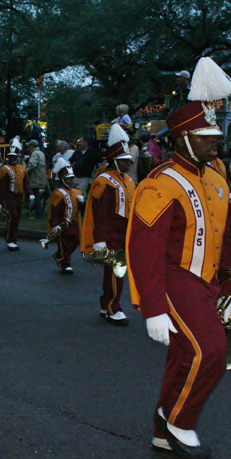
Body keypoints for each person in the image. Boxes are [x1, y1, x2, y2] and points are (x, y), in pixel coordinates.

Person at [127, 57, 231, 459]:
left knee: (183, 357)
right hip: (174, 279)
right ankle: (178, 421)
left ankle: (162, 429)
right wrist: (153, 306)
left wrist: (226, 282)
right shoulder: (160, 183)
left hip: (204, 282)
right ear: (183, 138)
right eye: (205, 135)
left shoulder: (217, 179)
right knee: (210, 351)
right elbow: (144, 249)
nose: (215, 140)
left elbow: (221, 237)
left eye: (215, 133)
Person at [81, 124, 136, 326]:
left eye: (128, 160)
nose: (128, 163)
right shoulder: (104, 181)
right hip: (110, 233)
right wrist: (100, 239)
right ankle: (114, 307)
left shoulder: (127, 179)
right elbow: (101, 213)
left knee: (115, 271)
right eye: (123, 160)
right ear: (114, 160)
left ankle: (106, 304)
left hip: (124, 232)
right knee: (116, 270)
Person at [0, 137, 33, 250]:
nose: (12, 158)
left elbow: (25, 183)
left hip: (19, 196)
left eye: (14, 156)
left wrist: (30, 192)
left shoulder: (22, 168)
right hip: (9, 195)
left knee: (17, 218)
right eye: (10, 156)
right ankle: (9, 240)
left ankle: (13, 239)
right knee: (13, 216)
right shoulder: (4, 169)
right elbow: (0, 187)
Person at [47, 157, 83, 274]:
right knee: (64, 243)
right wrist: (54, 224)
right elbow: (54, 211)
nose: (70, 181)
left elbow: (81, 210)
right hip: (63, 222)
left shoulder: (77, 192)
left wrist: (82, 202)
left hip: (74, 222)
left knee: (75, 241)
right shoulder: (58, 193)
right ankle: (65, 263)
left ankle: (60, 255)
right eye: (67, 179)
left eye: (71, 178)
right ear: (62, 179)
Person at [25, 139, 47, 219]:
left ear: (32, 146)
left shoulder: (34, 153)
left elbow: (32, 164)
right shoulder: (41, 153)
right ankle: (37, 211)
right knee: (37, 195)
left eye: (29, 146)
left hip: (35, 177)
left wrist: (25, 171)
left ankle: (38, 213)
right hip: (41, 177)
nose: (28, 148)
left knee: (35, 195)